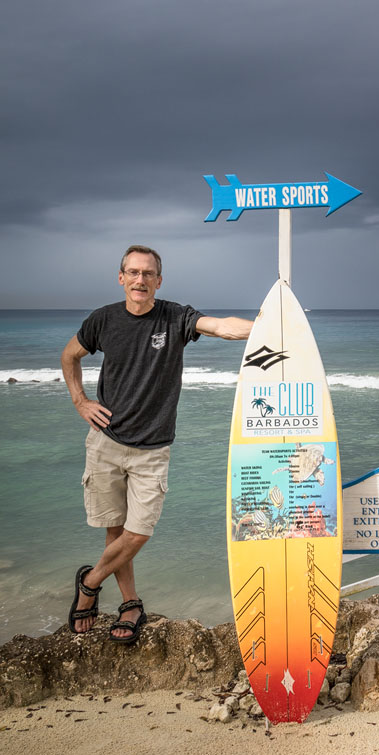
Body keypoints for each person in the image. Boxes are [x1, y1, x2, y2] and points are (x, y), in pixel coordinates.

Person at [61, 245, 253, 642]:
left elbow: (222, 327)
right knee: (115, 534)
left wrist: (273, 323)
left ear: (158, 281)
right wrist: (80, 402)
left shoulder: (175, 316)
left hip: (153, 449)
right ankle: (130, 604)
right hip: (106, 442)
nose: (140, 280)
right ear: (121, 278)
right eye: (133, 272)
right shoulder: (103, 320)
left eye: (148, 274)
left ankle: (89, 584)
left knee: (138, 532)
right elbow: (69, 355)